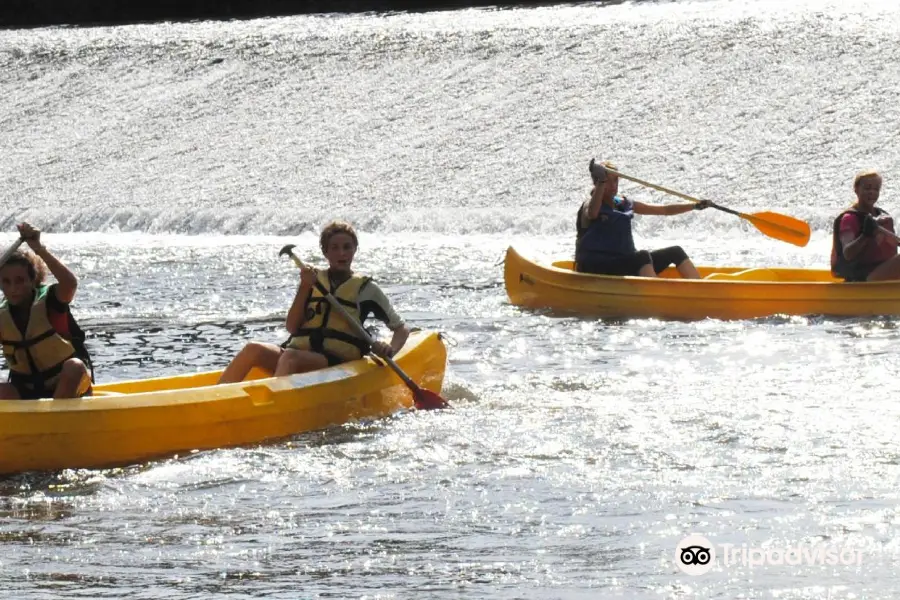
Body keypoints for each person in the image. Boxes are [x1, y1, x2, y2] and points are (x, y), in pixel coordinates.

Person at [218, 221, 410, 384]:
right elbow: (293, 327)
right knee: (253, 348)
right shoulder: (312, 280)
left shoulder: (367, 289)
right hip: (298, 355)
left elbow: (401, 329)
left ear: (355, 249)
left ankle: (271, 408)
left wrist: (389, 348)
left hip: (335, 362)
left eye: (347, 247)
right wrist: (304, 286)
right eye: (334, 248)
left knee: (290, 357)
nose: (341, 253)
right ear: (325, 252)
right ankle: (218, 399)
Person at [0, 222, 93, 399]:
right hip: (28, 391)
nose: (13, 288)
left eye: (20, 280)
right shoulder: (2, 316)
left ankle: (56, 424)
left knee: (74, 366)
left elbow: (70, 284)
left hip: (68, 385)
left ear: (32, 280)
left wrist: (38, 248)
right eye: (6, 282)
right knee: (2, 390)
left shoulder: (50, 301)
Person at [575, 159, 711, 278]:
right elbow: (592, 213)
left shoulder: (623, 203)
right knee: (642, 256)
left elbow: (664, 210)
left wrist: (694, 206)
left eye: (615, 180)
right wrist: (601, 182)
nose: (612, 186)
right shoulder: (590, 204)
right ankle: (656, 295)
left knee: (676, 251)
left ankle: (701, 292)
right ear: (597, 182)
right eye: (607, 181)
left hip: (622, 264)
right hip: (595, 266)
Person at [831, 170, 900, 282]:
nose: (871, 192)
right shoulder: (849, 219)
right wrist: (865, 234)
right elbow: (847, 253)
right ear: (856, 189)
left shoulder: (883, 216)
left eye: (876, 189)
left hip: (879, 272)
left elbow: (893, 244)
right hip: (862, 277)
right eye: (867, 188)